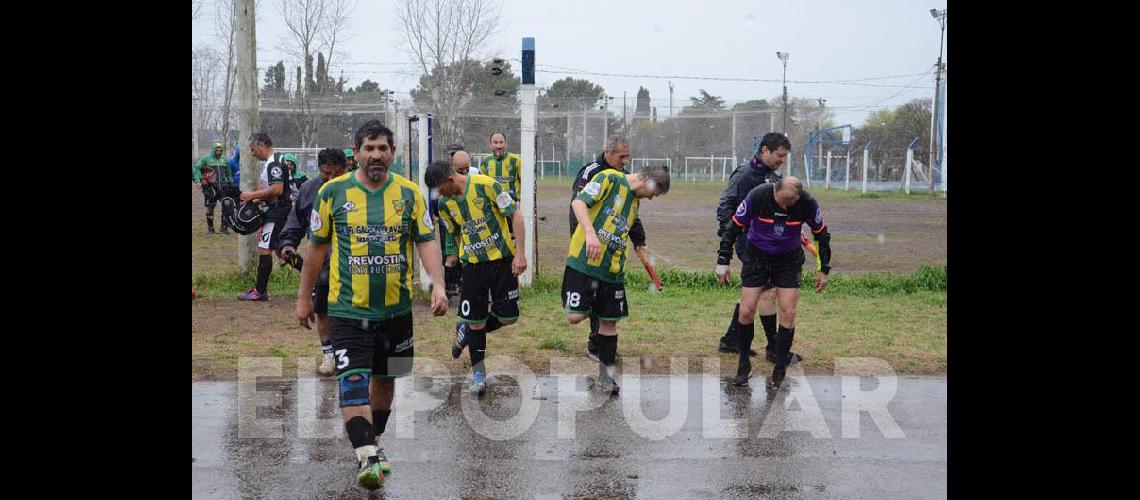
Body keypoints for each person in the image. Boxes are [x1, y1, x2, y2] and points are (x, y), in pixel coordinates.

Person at [294, 120, 448, 490]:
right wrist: (304, 298)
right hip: (348, 311)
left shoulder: (410, 194)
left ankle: (372, 443)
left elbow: (426, 240)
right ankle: (365, 454)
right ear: (357, 153)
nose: (376, 155)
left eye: (382, 149)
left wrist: (438, 284)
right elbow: (315, 249)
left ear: (392, 153)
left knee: (386, 381)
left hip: (396, 314)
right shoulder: (333, 193)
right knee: (353, 381)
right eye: (369, 148)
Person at [563, 165, 671, 394]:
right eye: (654, 193)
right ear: (649, 182)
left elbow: (630, 235)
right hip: (583, 263)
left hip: (611, 272)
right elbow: (578, 203)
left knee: (610, 321)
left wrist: (645, 259)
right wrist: (591, 233)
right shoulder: (609, 178)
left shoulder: (635, 203)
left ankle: (606, 377)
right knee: (574, 316)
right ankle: (591, 303)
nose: (651, 198)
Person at [716, 177, 831, 388]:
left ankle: (780, 367)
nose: (784, 206)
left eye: (790, 203)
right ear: (775, 191)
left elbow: (821, 235)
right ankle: (744, 364)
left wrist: (823, 269)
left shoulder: (808, 203)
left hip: (788, 260)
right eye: (781, 201)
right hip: (757, 256)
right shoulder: (758, 195)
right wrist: (723, 260)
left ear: (798, 197)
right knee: (746, 311)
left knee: (788, 312)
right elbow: (734, 227)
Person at [425, 160, 527, 397]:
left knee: (508, 317)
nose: (439, 195)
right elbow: (454, 232)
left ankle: (466, 330)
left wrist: (520, 253)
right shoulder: (444, 204)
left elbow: (516, 215)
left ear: (450, 180)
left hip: (502, 262)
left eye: (440, 189)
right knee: (477, 321)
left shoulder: (486, 185)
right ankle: (479, 374)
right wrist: (460, 256)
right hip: (473, 268)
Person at [714, 133, 801, 362]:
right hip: (750, 243)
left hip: (772, 244)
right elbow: (725, 207)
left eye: (785, 157)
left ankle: (732, 339)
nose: (782, 160)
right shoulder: (745, 175)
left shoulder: (773, 176)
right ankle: (774, 349)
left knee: (755, 291)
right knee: (768, 291)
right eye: (779, 156)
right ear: (765, 150)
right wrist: (731, 238)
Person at [568, 135, 647, 363]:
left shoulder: (624, 177)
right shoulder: (592, 171)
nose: (625, 161)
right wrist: (585, 239)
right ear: (607, 152)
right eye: (621, 157)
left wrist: (639, 241)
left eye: (627, 156)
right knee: (591, 296)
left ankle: (600, 345)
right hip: (588, 244)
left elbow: (629, 214)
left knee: (604, 298)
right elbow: (578, 204)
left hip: (610, 246)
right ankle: (596, 344)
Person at [278, 148, 349, 376]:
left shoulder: (357, 189)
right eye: (326, 174)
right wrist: (287, 245)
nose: (330, 180)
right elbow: (295, 222)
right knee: (323, 311)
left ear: (346, 169)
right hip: (323, 265)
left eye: (336, 175)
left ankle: (349, 354)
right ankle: (329, 355)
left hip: (353, 266)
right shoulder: (309, 189)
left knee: (352, 313)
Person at [237, 132, 294, 301]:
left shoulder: (274, 163)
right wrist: (258, 198)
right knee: (282, 251)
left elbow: (278, 190)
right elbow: (275, 191)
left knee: (264, 247)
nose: (252, 153)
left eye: (253, 149)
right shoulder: (273, 161)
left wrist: (250, 195)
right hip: (277, 210)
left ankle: (260, 291)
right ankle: (317, 282)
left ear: (261, 145)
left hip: (278, 212)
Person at [193, 142, 234, 234]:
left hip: (223, 186)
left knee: (226, 205)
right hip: (210, 187)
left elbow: (228, 173)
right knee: (211, 206)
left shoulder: (224, 160)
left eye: (220, 150)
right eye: (217, 150)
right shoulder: (206, 158)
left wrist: (231, 184)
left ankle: (224, 227)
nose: (219, 152)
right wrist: (200, 179)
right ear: (213, 150)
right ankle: (210, 229)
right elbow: (196, 168)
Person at [479, 132, 522, 201]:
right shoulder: (485, 162)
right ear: (490, 145)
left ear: (506, 144)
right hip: (493, 205)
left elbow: (525, 183)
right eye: (495, 143)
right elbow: (483, 186)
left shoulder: (516, 160)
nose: (499, 146)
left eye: (501, 142)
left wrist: (519, 199)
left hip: (513, 204)